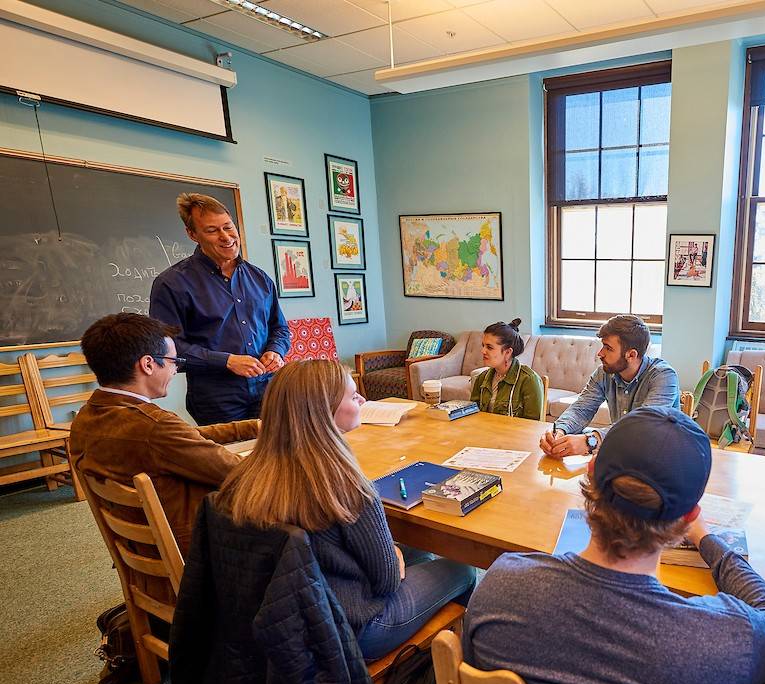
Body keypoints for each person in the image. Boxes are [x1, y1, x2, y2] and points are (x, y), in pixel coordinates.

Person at [466, 407, 765, 684]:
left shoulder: (499, 582)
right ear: (687, 516)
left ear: (590, 476)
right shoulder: (716, 639)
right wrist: (708, 540)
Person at [213, 360, 476, 660]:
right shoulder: (345, 485)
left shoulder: (245, 478)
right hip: (355, 631)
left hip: (285, 627)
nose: (363, 400)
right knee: (461, 568)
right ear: (324, 413)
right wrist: (393, 556)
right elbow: (387, 580)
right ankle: (440, 683)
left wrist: (395, 555)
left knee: (419, 555)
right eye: (353, 396)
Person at [70, 312, 258, 557]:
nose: (175, 368)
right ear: (148, 364)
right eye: (173, 361)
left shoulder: (87, 417)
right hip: (196, 556)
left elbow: (185, 437)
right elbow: (241, 473)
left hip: (144, 552)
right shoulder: (155, 427)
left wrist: (253, 427)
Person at [150, 193, 291, 426]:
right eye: (212, 230)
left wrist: (276, 351)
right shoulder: (171, 283)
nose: (226, 237)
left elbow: (280, 328)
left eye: (228, 227)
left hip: (269, 389)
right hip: (216, 397)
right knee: (230, 461)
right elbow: (167, 348)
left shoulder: (260, 278)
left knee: (278, 457)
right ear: (192, 234)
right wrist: (226, 361)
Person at [539, 314, 679, 458]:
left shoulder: (664, 376)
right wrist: (559, 431)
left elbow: (644, 426)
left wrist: (590, 441)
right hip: (622, 453)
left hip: (661, 458)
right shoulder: (604, 373)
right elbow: (581, 410)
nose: (600, 353)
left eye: (608, 348)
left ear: (631, 355)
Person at [470, 318, 544, 421]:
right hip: (485, 435)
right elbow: (473, 417)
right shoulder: (481, 378)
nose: (483, 351)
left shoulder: (529, 380)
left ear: (508, 352)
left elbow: (533, 426)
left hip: (515, 436)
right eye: (483, 346)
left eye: (489, 347)